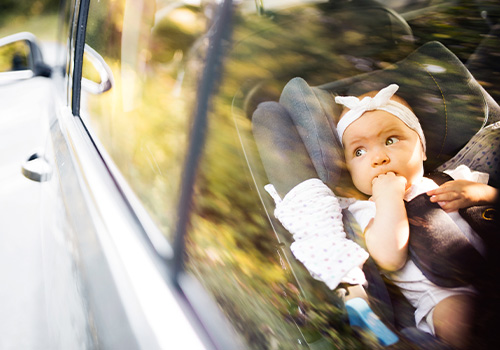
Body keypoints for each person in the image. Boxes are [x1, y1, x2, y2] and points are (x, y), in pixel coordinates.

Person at [334, 84, 498, 349]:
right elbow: (390, 257)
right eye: (359, 152)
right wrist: (388, 197)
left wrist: (481, 193)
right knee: (459, 320)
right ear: (350, 170)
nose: (378, 157)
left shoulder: (455, 176)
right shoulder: (365, 210)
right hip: (444, 295)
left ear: (421, 149)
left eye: (390, 140)